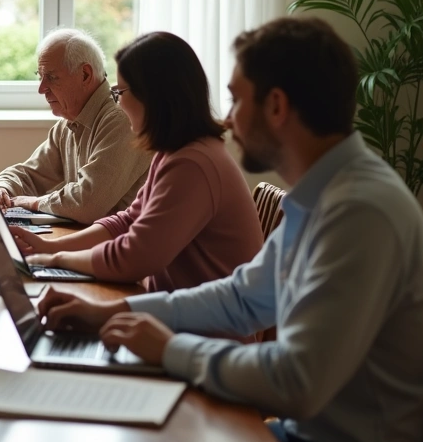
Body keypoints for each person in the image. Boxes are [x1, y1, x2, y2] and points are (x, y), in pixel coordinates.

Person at [37, 17, 423, 442]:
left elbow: (297, 382)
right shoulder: (327, 193)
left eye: (236, 98)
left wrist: (170, 348)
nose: (227, 118)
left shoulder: (359, 211)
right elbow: (240, 298)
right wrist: (111, 313)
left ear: (276, 106)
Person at [13, 32, 262, 292]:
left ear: (152, 96)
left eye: (119, 92)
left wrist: (55, 259)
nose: (117, 103)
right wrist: (49, 247)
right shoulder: (174, 152)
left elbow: (135, 258)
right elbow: (128, 220)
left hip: (203, 327)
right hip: (172, 310)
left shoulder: (194, 163)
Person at [0, 28, 151, 223]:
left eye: (51, 77)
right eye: (40, 76)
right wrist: (1, 188)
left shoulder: (122, 120)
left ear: (85, 75)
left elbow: (88, 204)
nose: (41, 89)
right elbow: (29, 174)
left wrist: (32, 202)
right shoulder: (67, 125)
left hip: (120, 246)